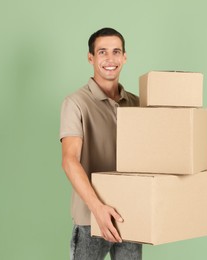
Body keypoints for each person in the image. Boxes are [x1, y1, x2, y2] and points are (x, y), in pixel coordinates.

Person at [60, 27, 142, 260]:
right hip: (90, 218)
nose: (110, 59)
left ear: (124, 57)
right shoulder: (76, 103)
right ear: (91, 58)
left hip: (130, 213)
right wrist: (97, 208)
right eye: (102, 52)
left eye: (116, 52)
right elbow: (69, 160)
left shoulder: (137, 103)